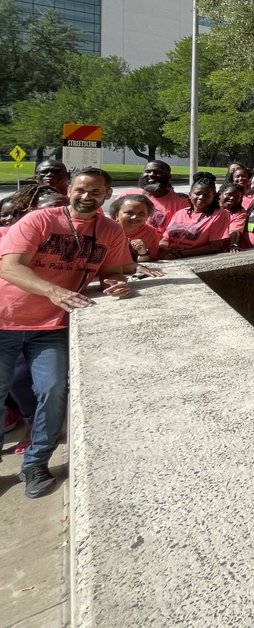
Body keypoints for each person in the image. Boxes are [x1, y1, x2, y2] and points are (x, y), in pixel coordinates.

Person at [0, 168, 133, 498]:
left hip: (52, 326)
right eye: (81, 190)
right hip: (6, 319)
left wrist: (116, 284)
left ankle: (36, 463)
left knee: (54, 390)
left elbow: (112, 271)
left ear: (107, 195)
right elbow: (9, 266)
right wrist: (53, 291)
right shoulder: (40, 220)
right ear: (70, 190)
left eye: (96, 192)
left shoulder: (110, 230)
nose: (87, 197)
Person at [159, 172, 232, 257]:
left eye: (207, 195)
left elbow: (214, 246)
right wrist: (164, 249)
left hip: (193, 259)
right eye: (198, 193)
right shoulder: (180, 213)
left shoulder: (220, 214)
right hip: (169, 257)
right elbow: (165, 239)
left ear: (214, 197)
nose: (201, 197)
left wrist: (180, 254)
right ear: (190, 195)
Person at [122, 160, 188, 236]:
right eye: (148, 171)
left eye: (158, 172)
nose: (151, 174)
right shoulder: (126, 196)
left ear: (169, 177)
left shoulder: (182, 203)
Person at [110, 194, 161, 262]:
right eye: (129, 213)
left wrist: (143, 252)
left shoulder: (150, 233)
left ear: (147, 216)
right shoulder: (106, 230)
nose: (135, 217)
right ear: (117, 215)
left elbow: (152, 261)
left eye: (141, 214)